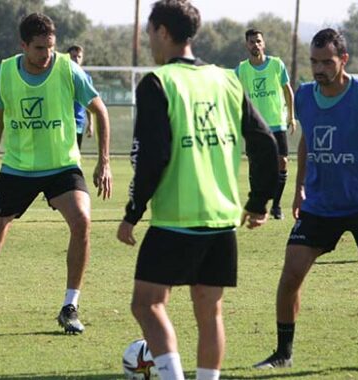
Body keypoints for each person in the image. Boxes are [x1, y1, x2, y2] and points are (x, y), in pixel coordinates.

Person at [116, 1, 278, 379]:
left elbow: (153, 156)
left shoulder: (159, 83)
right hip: (222, 219)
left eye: (149, 33)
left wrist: (132, 213)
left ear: (162, 32)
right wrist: (258, 202)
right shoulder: (226, 79)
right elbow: (267, 143)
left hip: (176, 218)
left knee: (147, 304)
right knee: (210, 313)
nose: (149, 42)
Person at [254, 28, 358, 372]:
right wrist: (300, 187)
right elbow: (307, 139)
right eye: (314, 62)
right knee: (291, 272)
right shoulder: (306, 96)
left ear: (344, 60)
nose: (319, 69)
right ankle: (283, 352)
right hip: (321, 205)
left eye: (326, 62)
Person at [0, 13, 112, 335]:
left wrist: (104, 162)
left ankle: (70, 307)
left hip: (62, 167)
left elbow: (100, 110)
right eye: (40, 48)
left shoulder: (67, 69)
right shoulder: (4, 72)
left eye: (51, 47)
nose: (47, 55)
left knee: (82, 221)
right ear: (23, 45)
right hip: (17, 169)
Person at [236, 29, 296, 220]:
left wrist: (291, 117)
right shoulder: (242, 69)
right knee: (255, 164)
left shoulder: (277, 65)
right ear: (247, 45)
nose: (255, 45)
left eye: (258, 41)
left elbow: (288, 91)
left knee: (282, 161)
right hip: (255, 125)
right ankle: (256, 206)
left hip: (277, 123)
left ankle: (276, 206)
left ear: (264, 43)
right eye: (252, 42)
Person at [67, 45, 93, 149]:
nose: (76, 59)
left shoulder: (86, 78)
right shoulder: (61, 76)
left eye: (79, 57)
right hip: (62, 124)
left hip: (78, 124)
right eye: (73, 56)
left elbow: (89, 102)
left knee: (76, 156)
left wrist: (91, 123)